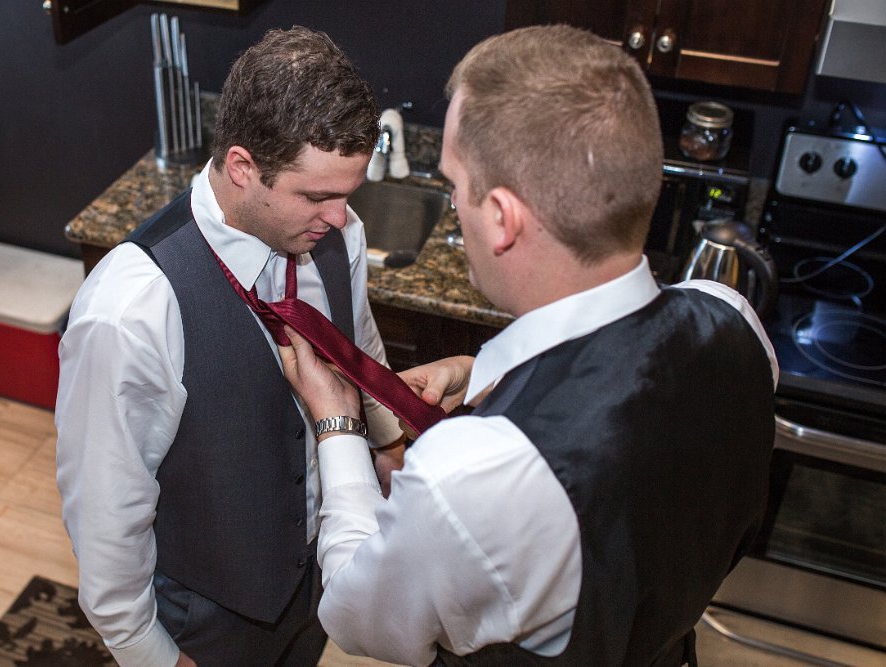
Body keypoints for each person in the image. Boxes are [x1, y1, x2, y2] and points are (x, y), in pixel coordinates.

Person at [277, 24, 779, 667]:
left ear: (503, 219)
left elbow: (358, 617)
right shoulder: (731, 318)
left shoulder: (475, 471)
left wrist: (338, 425)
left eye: (455, 185)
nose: (452, 205)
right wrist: (482, 370)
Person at [55, 26, 406, 667]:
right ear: (243, 167)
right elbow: (106, 509)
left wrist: (386, 442)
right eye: (317, 196)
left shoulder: (339, 233)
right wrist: (146, 651)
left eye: (347, 195)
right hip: (205, 616)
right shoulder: (131, 308)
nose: (338, 217)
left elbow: (360, 349)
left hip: (315, 584)